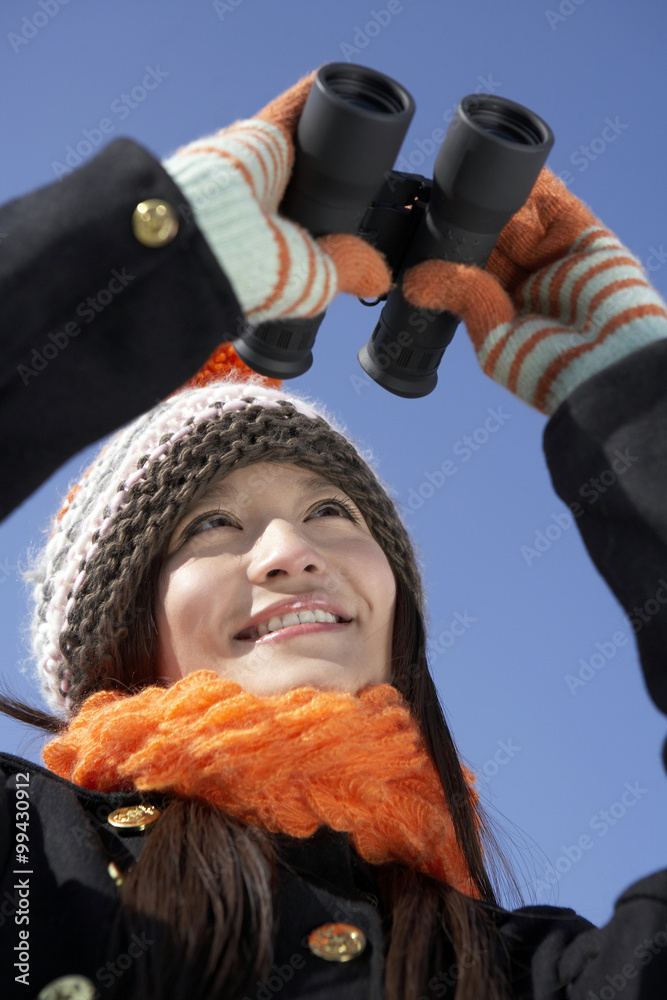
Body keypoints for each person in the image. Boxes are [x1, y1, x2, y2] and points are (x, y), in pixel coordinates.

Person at [1, 69, 667, 1000]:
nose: (290, 550)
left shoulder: (523, 973)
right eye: (212, 524)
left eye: (330, 513)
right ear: (118, 632)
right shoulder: (27, 862)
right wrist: (167, 243)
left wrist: (631, 392)